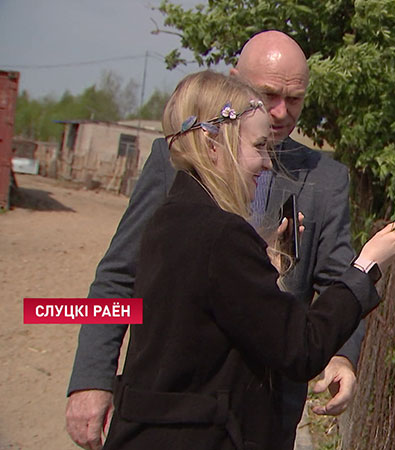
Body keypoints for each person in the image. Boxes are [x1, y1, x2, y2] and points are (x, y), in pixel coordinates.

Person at [66, 31, 364, 449]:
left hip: (268, 416)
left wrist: (341, 355)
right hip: (179, 415)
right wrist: (91, 379)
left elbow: (337, 279)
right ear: (235, 82)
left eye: (294, 99)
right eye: (267, 94)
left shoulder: (326, 179)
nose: (280, 112)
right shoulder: (173, 162)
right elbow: (120, 273)